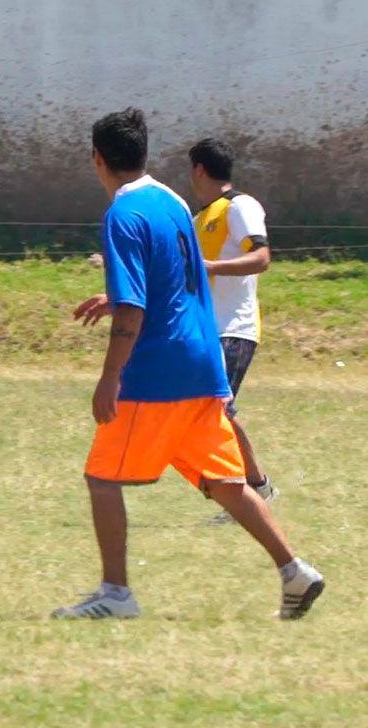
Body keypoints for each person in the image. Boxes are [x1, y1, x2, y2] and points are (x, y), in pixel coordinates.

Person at [62, 108, 322, 619]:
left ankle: (116, 594)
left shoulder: (122, 214)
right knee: (227, 483)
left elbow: (139, 306)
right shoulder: (174, 202)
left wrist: (110, 375)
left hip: (158, 371)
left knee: (102, 477)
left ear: (97, 159)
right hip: (203, 363)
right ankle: (295, 573)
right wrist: (116, 298)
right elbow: (181, 281)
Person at [188, 138, 278, 524]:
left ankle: (250, 490)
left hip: (235, 329)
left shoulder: (240, 206)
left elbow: (261, 257)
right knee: (213, 409)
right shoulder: (198, 219)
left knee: (215, 409)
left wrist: (211, 266)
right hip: (207, 331)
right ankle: (253, 487)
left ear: (199, 170)